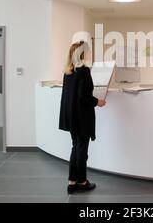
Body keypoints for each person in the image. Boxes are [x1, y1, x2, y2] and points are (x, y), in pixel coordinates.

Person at [59, 40, 106, 193]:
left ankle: (72, 182)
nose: (89, 53)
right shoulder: (84, 71)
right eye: (87, 51)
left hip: (72, 117)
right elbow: (83, 97)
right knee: (82, 149)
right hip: (82, 117)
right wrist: (97, 101)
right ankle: (82, 182)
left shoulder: (68, 72)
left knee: (75, 147)